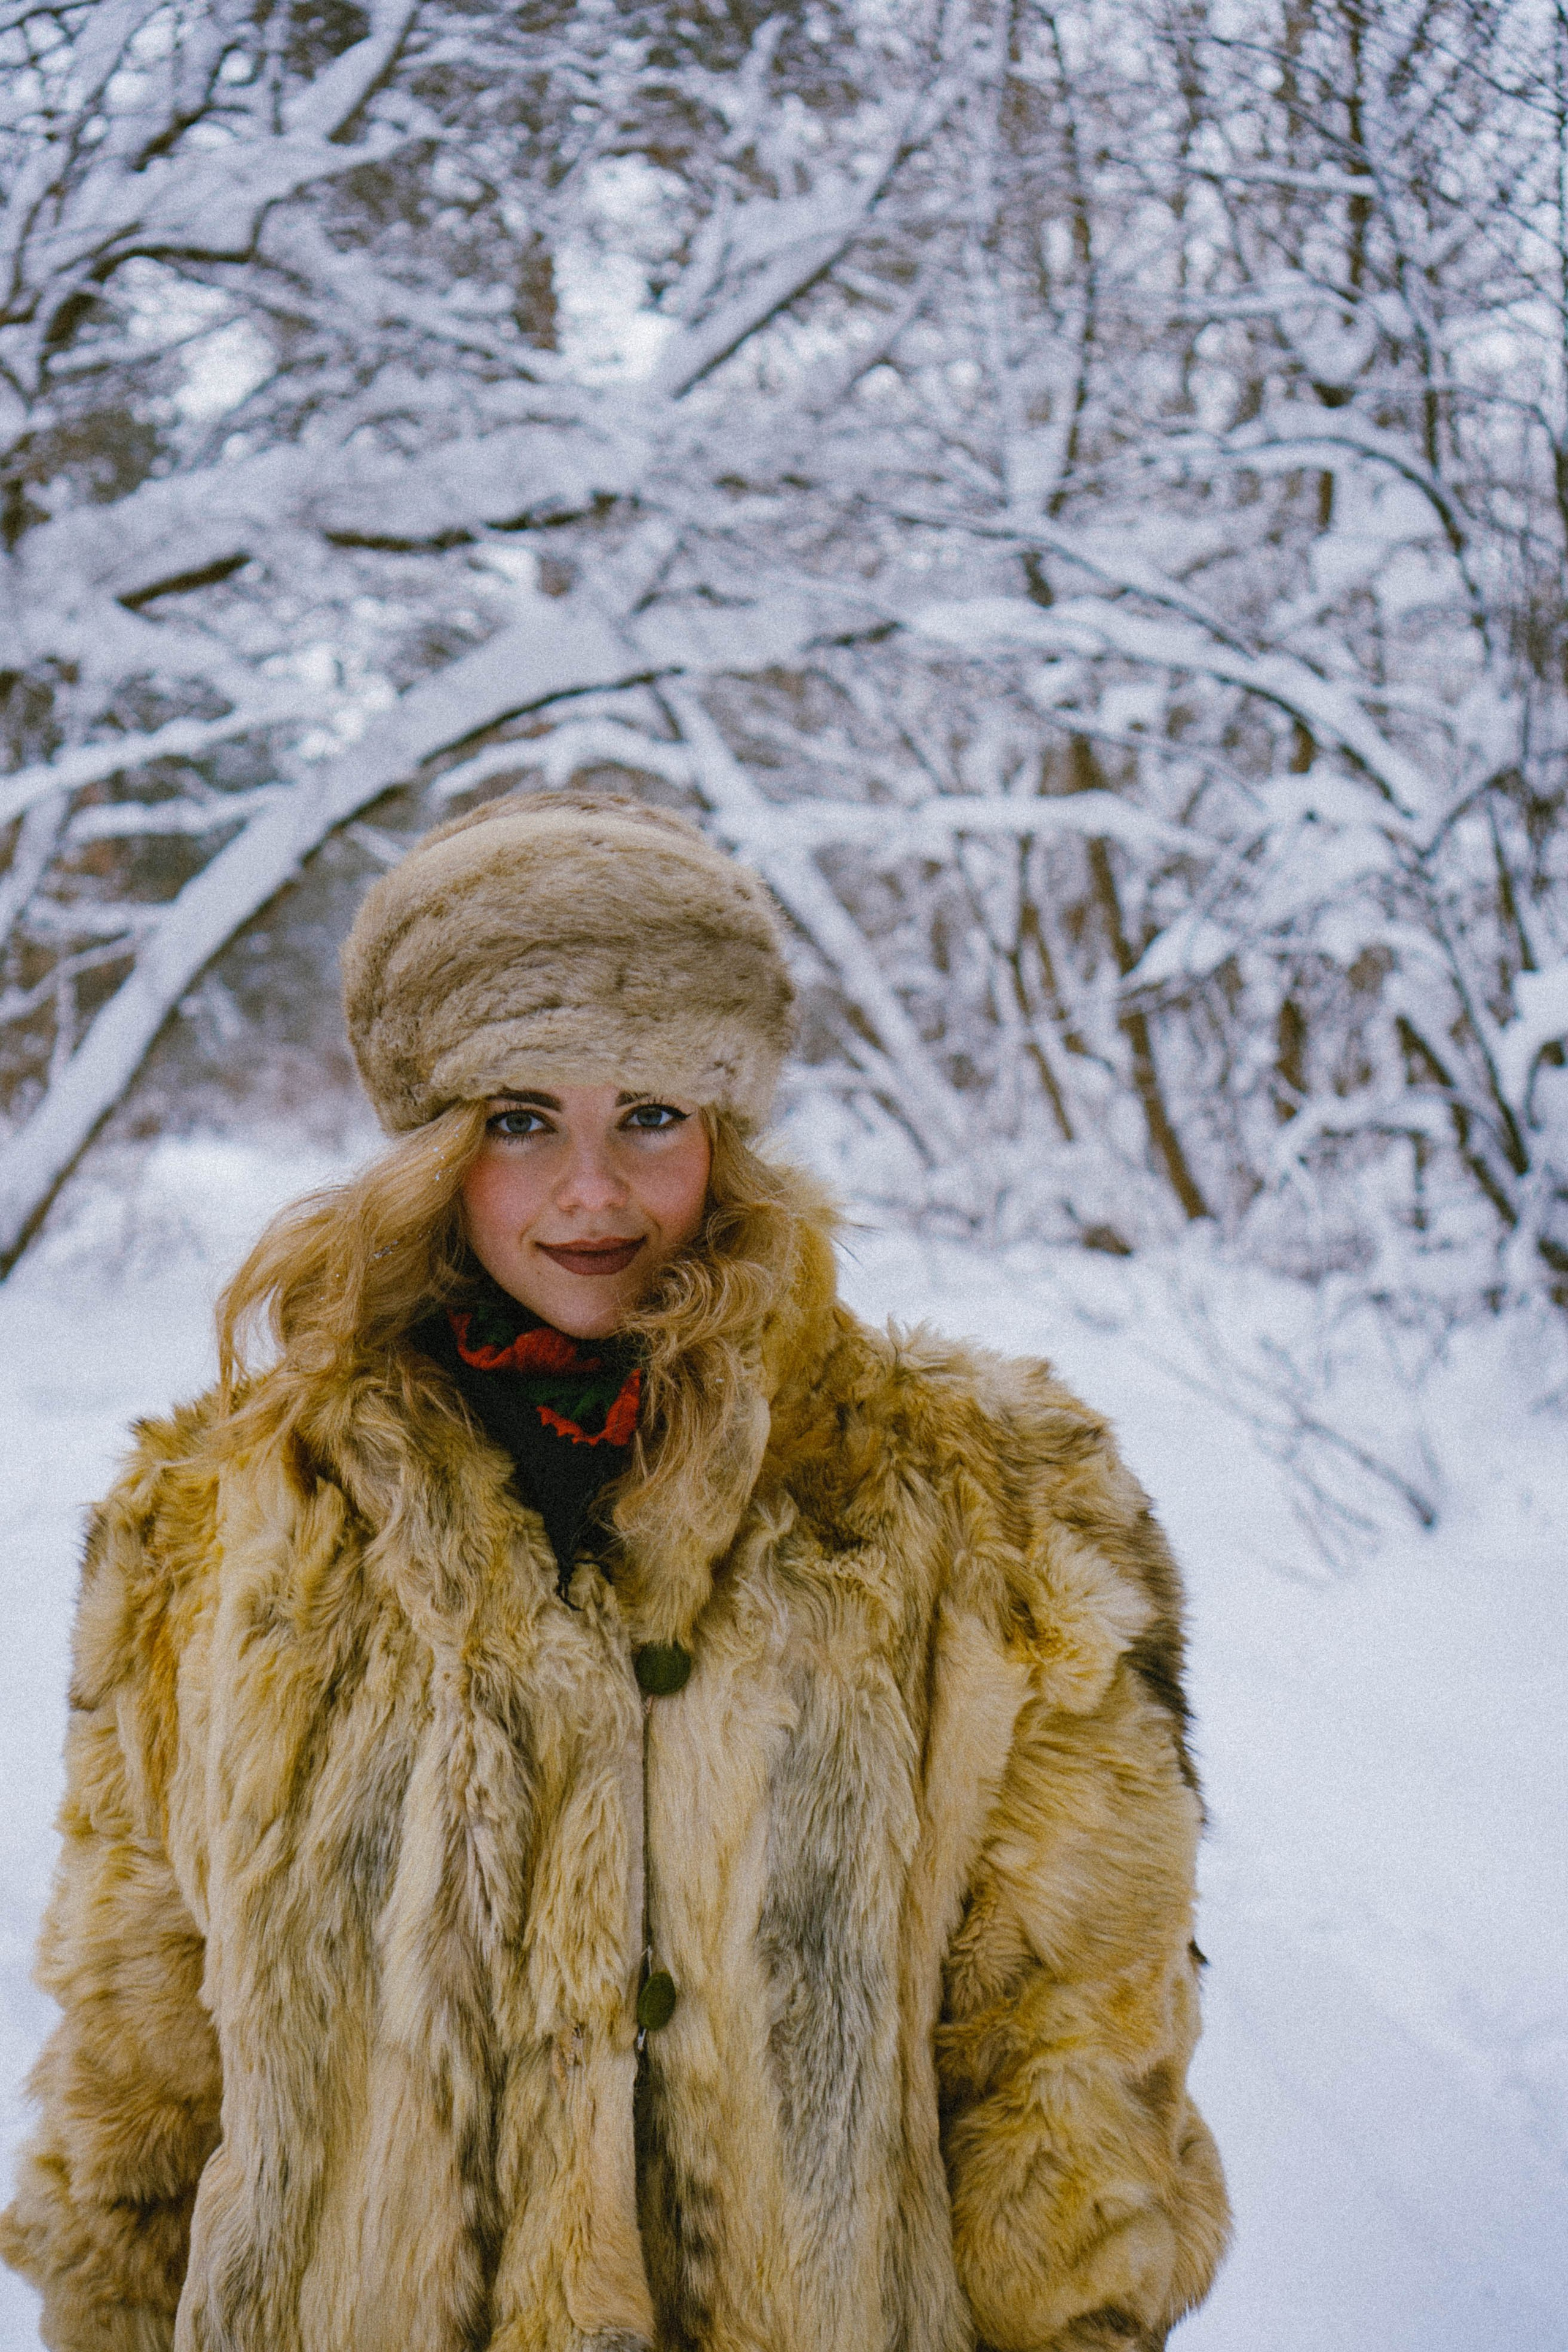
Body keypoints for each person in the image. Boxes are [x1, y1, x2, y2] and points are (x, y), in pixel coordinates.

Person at [1, 791, 1229, 2352]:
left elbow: (1068, 2050)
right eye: (520, 1119)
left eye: (649, 1113)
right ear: (433, 1143)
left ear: (725, 1127)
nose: (592, 1194)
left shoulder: (988, 1512)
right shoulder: (220, 1527)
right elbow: (139, 2058)